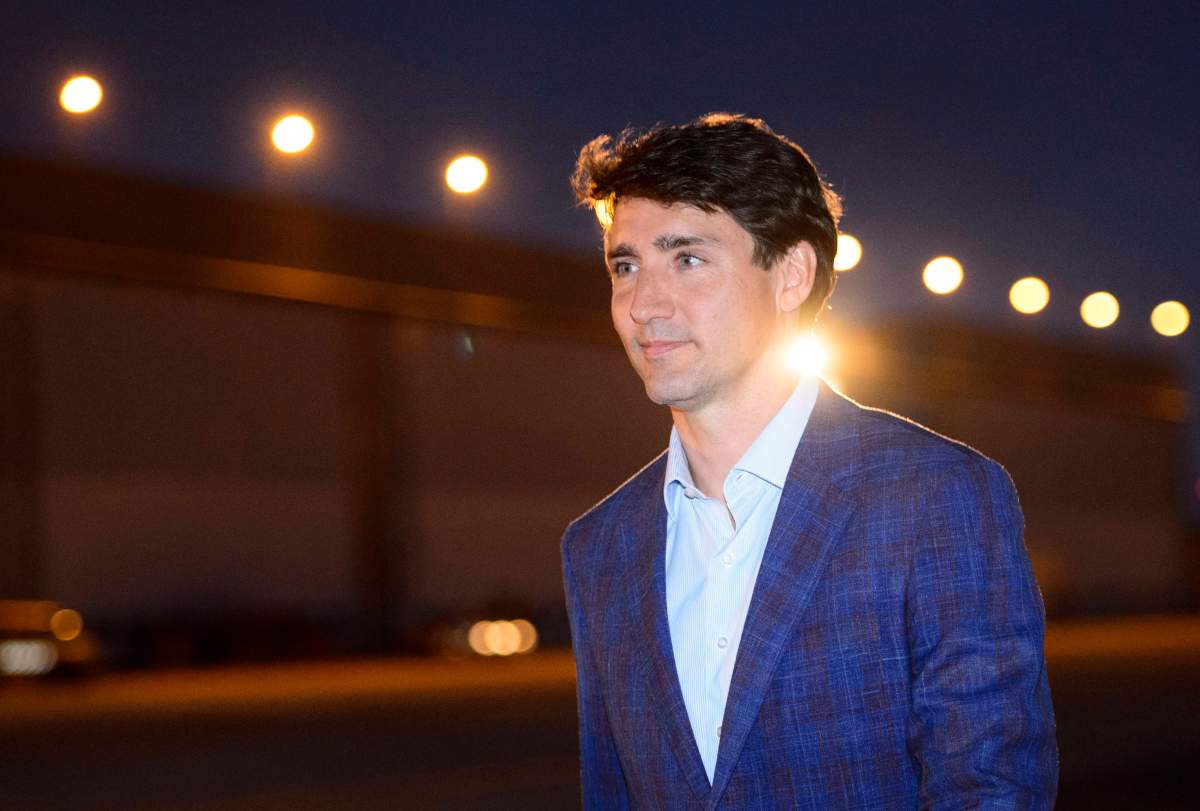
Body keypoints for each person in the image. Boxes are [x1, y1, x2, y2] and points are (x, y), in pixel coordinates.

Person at [561, 113, 1057, 808]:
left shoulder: (935, 497)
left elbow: (989, 790)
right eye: (626, 265)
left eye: (688, 259)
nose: (644, 303)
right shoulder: (600, 545)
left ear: (791, 273)